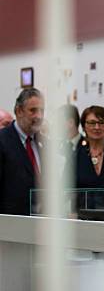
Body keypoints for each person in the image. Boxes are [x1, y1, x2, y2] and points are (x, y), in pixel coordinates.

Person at [0, 88, 45, 216]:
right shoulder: (3, 141)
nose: (39, 116)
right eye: (33, 110)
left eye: (42, 110)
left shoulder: (43, 143)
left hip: (40, 223)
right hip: (10, 224)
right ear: (19, 111)